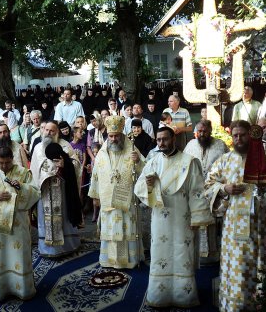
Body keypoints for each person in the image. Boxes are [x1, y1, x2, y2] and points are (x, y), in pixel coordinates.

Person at [205, 120, 266, 311]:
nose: (239, 139)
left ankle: (262, 304)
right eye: (235, 135)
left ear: (251, 135)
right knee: (236, 269)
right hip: (233, 230)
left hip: (261, 226)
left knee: (261, 266)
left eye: (242, 134)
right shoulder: (224, 161)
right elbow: (208, 186)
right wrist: (224, 188)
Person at [134, 127, 214, 308]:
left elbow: (197, 191)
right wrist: (148, 186)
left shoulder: (189, 162)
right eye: (158, 140)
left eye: (165, 139)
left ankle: (183, 296)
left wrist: (197, 218)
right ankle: (159, 295)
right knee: (159, 253)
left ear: (174, 139)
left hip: (182, 218)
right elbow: (139, 188)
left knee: (181, 252)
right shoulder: (153, 162)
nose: (161, 143)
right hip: (160, 220)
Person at [0, 146, 40, 302]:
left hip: (19, 224)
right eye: (0, 162)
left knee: (21, 254)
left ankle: (23, 289)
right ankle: (3, 290)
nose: (4, 166)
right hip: (0, 227)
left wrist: (21, 188)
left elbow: (35, 193)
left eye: (7, 162)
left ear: (12, 159)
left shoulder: (23, 173)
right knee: (1, 256)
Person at [88, 115, 144, 268]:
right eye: (110, 136)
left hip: (126, 199)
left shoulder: (132, 148)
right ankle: (110, 260)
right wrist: (95, 196)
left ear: (121, 134)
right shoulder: (102, 152)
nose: (113, 139)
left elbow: (145, 171)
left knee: (127, 227)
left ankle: (130, 260)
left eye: (116, 136)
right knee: (110, 228)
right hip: (108, 200)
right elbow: (96, 174)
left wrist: (138, 161)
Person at [30, 121, 82, 257]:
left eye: (52, 131)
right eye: (46, 130)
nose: (48, 133)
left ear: (57, 132)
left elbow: (76, 164)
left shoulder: (65, 145)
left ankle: (67, 246)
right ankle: (47, 249)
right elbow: (34, 170)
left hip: (62, 190)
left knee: (63, 218)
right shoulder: (37, 148)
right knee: (45, 219)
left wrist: (66, 165)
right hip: (45, 191)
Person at [184, 120, 229, 262]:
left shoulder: (220, 145)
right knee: (196, 222)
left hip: (213, 190)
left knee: (212, 222)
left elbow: (228, 166)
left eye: (204, 131)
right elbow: (184, 166)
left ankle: (213, 255)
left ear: (210, 131)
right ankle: (196, 253)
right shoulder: (190, 145)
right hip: (195, 190)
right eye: (199, 131)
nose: (202, 134)